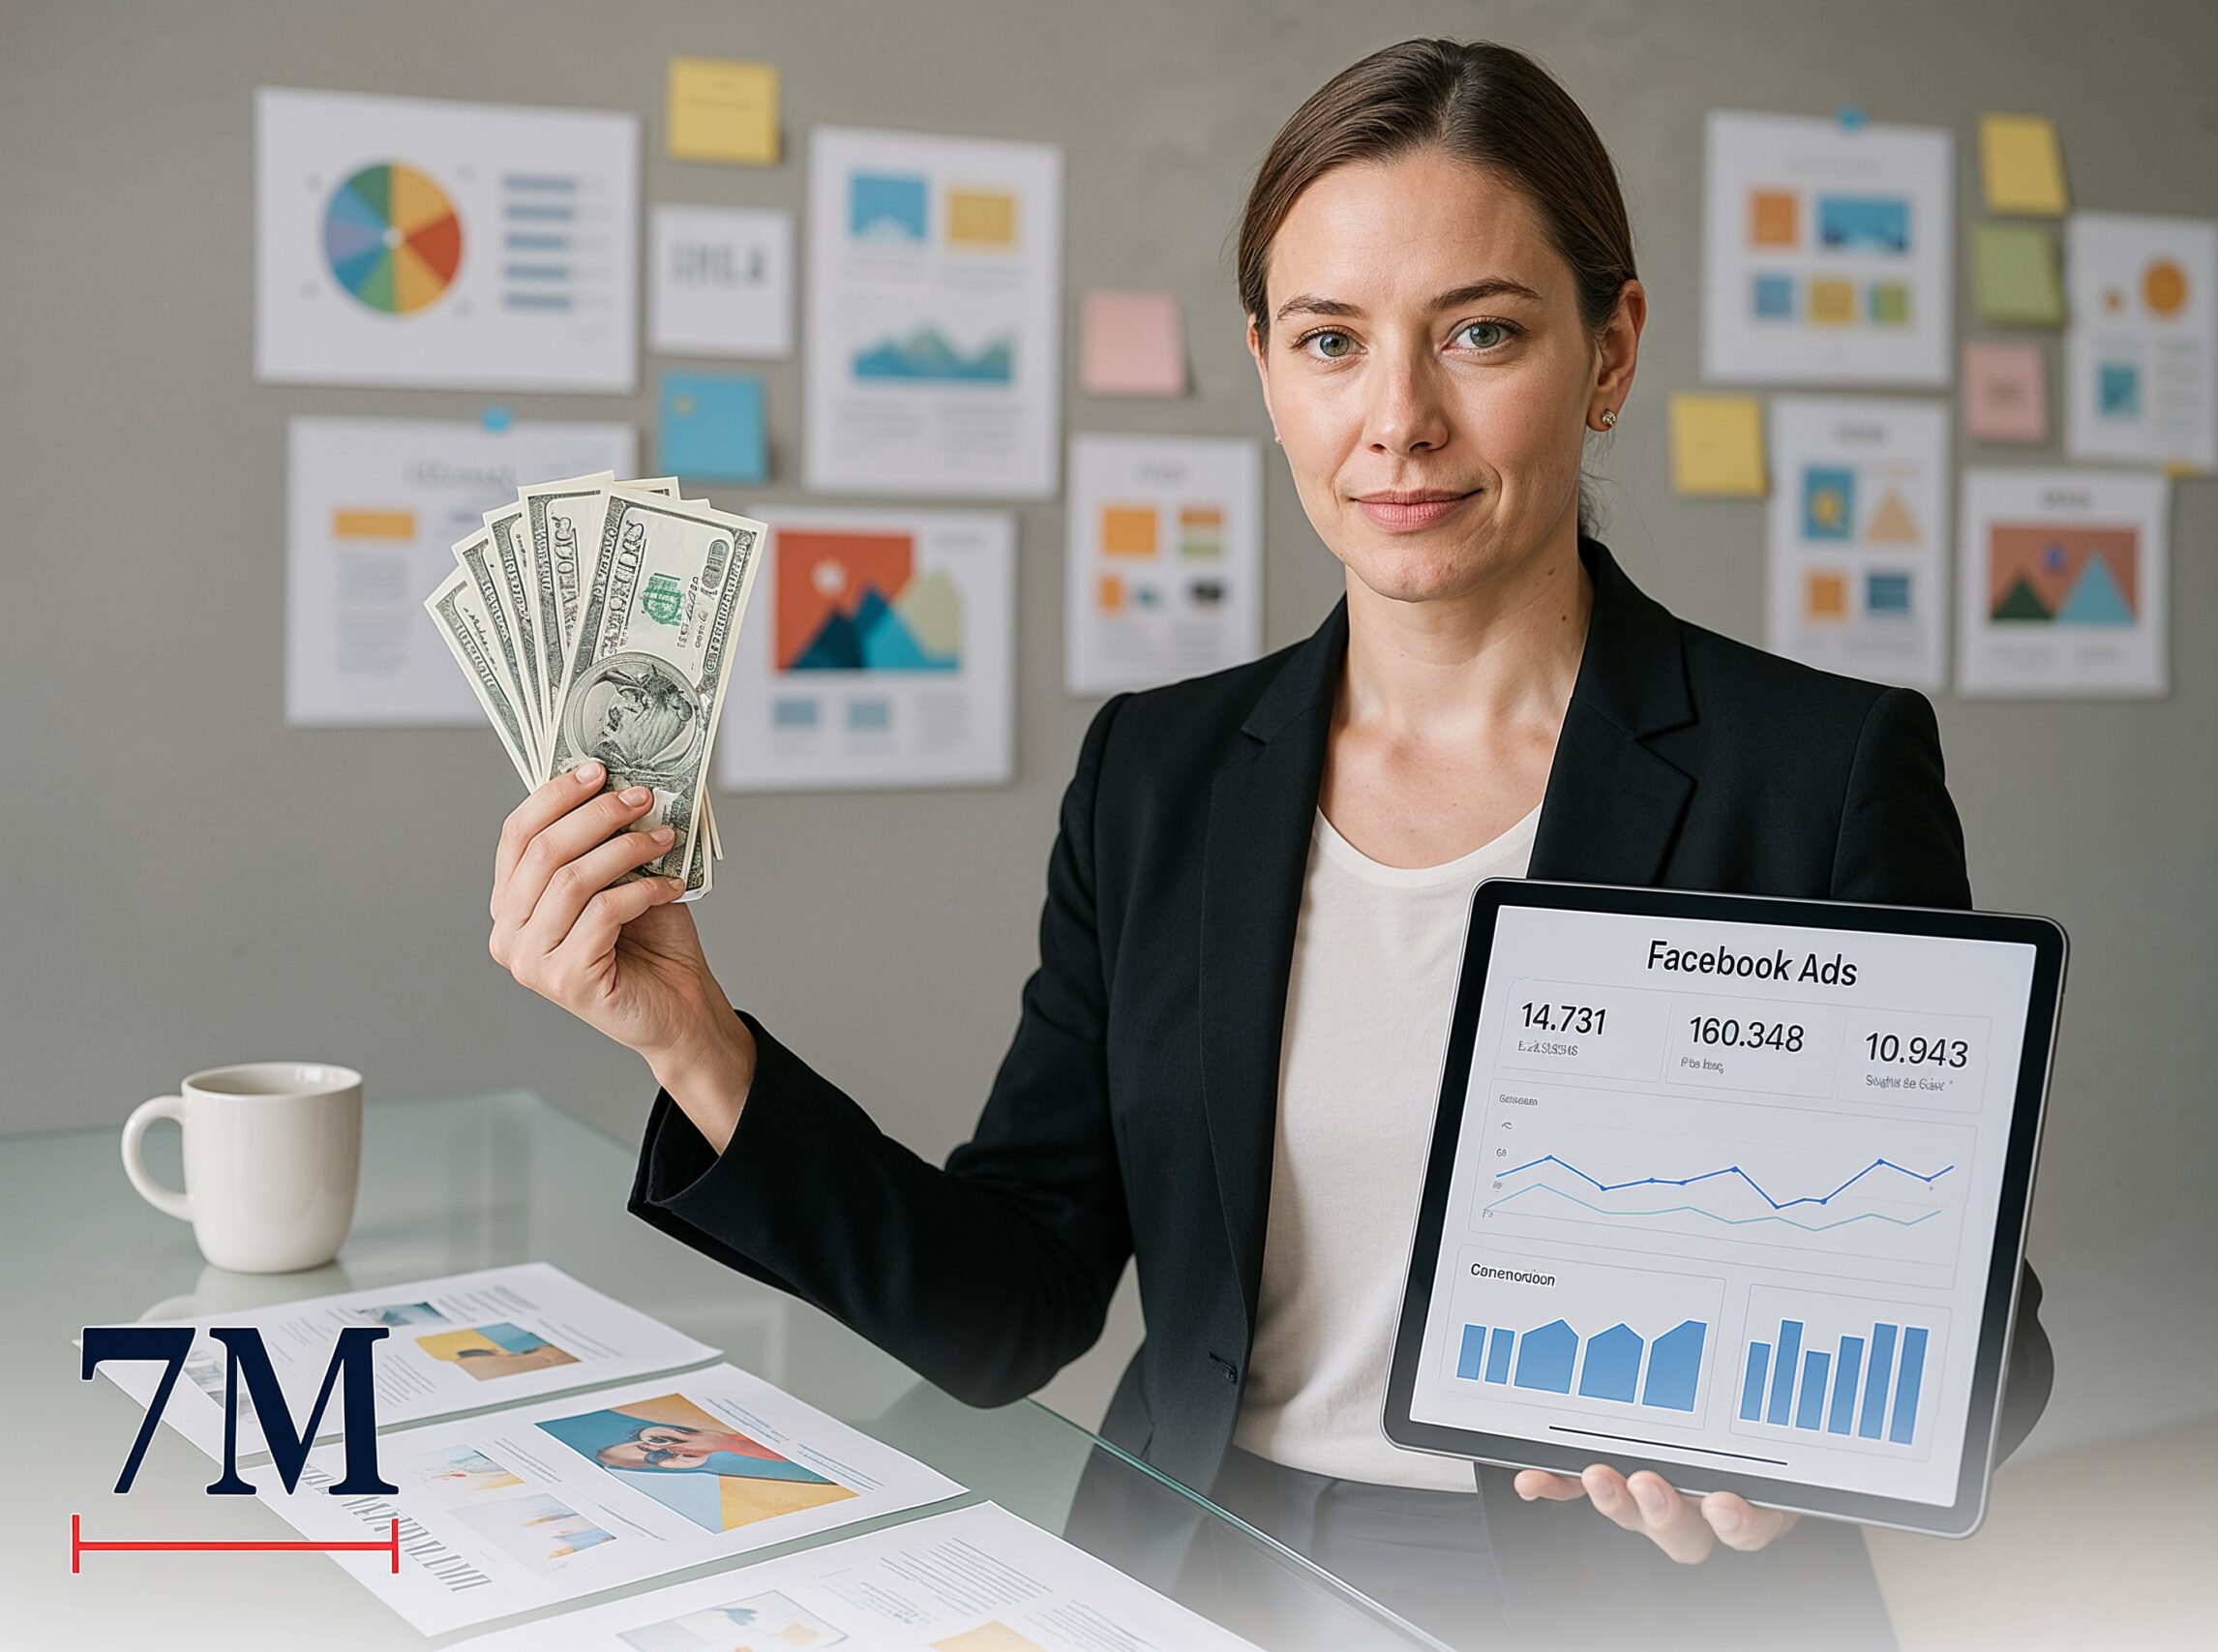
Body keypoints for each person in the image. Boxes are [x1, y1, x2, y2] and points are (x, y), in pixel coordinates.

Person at [486, 38, 2052, 1650]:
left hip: (1638, 1603)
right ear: (1265, 367)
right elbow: (1015, 1305)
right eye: (1331, 341)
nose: (1399, 422)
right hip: (1202, 1576)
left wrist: (1801, 1467)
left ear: (1611, 351)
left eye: (1483, 334)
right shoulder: (1157, 772)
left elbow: (1983, 1336)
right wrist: (696, 1043)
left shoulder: (1817, 768)